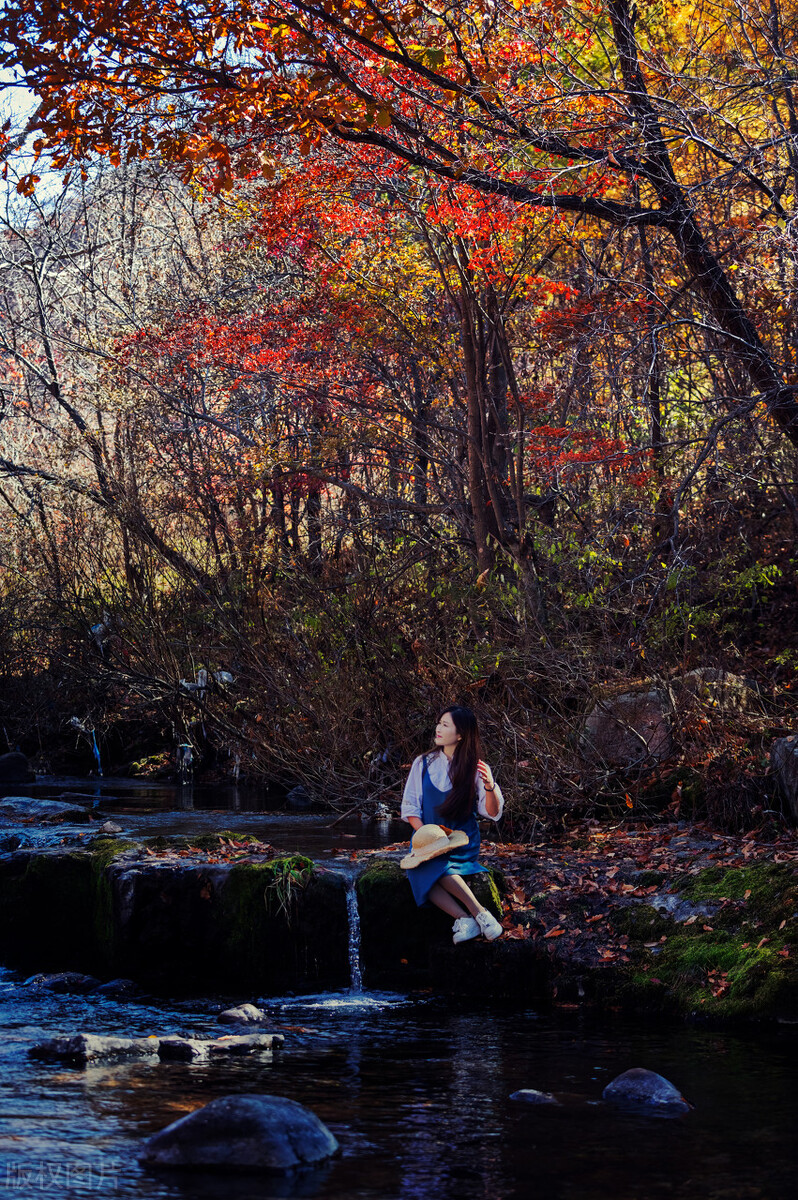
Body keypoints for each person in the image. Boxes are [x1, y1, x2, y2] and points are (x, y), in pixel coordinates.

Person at [400, 705, 504, 944]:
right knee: (417, 866)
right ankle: (467, 918)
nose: (438, 728)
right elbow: (411, 809)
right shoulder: (422, 763)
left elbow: (492, 812)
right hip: (428, 839)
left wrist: (489, 785)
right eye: (439, 723)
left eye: (445, 725)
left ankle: (481, 915)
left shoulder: (475, 768)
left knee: (437, 865)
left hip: (461, 840)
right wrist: (427, 835)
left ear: (460, 734)